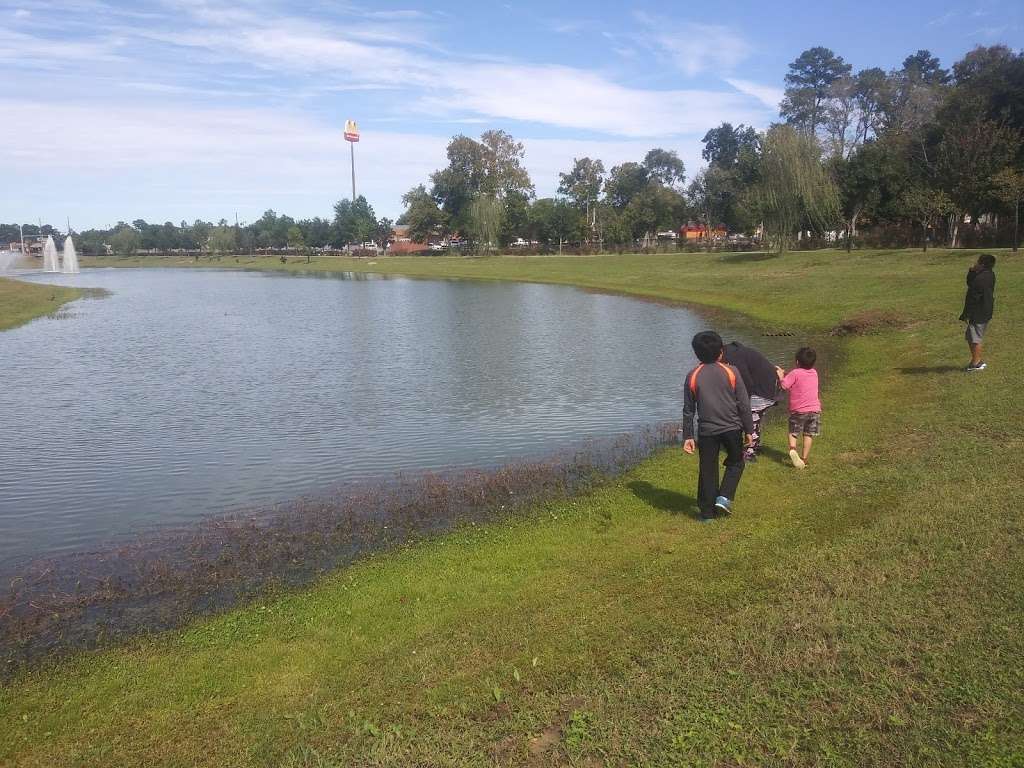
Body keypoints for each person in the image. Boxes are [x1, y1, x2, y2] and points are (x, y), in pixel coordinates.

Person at [682, 331, 754, 520]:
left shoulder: (692, 375)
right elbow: (744, 403)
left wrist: (688, 436)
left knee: (707, 469)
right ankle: (724, 497)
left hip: (707, 432)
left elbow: (688, 409)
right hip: (732, 428)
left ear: (696, 353)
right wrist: (749, 430)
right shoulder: (732, 371)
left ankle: (707, 514)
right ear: (721, 352)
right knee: (737, 462)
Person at [722, 341, 783, 462]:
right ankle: (756, 444)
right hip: (769, 387)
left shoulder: (734, 359)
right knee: (756, 419)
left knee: (751, 419)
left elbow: (747, 384)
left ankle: (750, 452)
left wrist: (741, 403)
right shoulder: (734, 352)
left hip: (762, 391)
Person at [778, 347, 821, 469]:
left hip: (799, 411)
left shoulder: (795, 373)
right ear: (813, 362)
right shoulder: (814, 373)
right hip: (815, 410)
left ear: (797, 362)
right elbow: (802, 383)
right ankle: (804, 459)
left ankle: (792, 449)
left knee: (793, 432)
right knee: (808, 434)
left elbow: (785, 386)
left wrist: (781, 376)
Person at [960, 253, 996, 372]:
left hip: (978, 312)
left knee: (975, 338)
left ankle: (977, 363)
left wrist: (966, 314)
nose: (976, 263)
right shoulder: (989, 274)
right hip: (986, 310)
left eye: (978, 262)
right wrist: (972, 271)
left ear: (982, 264)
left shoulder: (980, 279)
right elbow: (970, 283)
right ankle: (976, 361)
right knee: (971, 336)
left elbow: (973, 299)